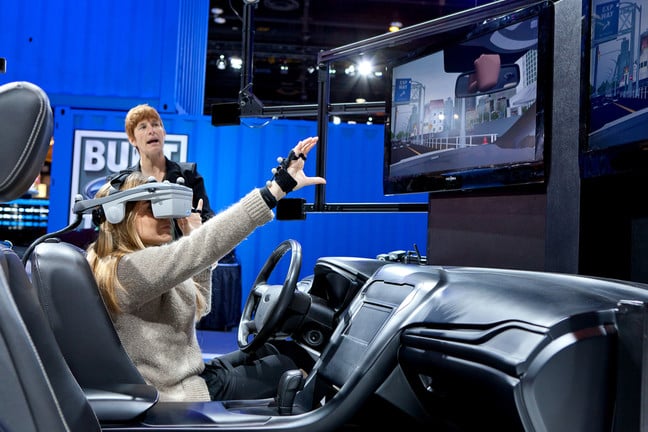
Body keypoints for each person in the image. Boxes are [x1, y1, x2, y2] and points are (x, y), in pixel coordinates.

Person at [86, 136, 325, 402]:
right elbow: (204, 246)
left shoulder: (127, 263)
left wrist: (193, 235)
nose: (165, 216)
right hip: (173, 390)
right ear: (119, 215)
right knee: (293, 367)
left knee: (279, 350)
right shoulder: (127, 268)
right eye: (151, 209)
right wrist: (276, 189)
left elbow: (198, 304)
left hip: (182, 372)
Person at [121, 103, 215, 237]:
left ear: (164, 133)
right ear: (132, 140)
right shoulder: (125, 182)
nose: (151, 130)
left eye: (155, 125)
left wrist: (198, 228)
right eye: (143, 127)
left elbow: (207, 220)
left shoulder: (189, 174)